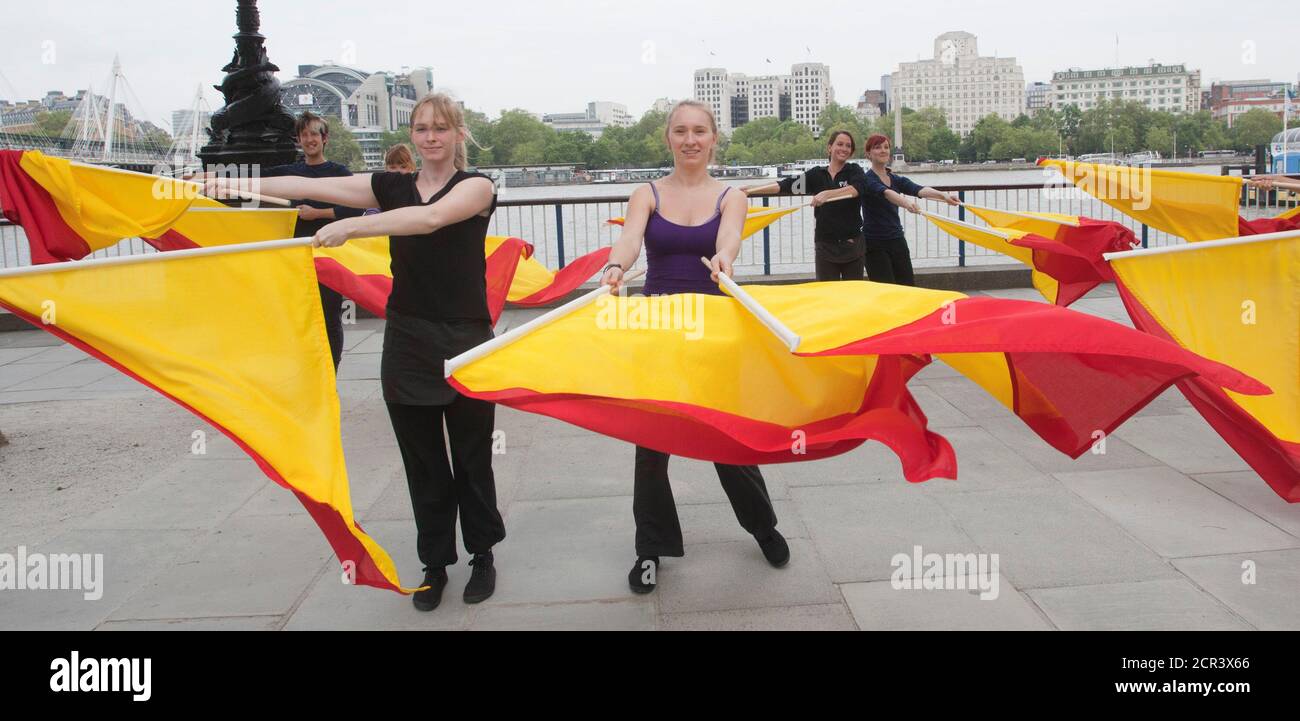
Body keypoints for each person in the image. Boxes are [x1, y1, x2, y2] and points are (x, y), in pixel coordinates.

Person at [206, 94, 505, 612]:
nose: (430, 137)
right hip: (408, 337)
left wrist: (352, 225)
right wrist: (236, 185)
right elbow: (306, 185)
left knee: (472, 456)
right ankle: (435, 564)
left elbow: (430, 220)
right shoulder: (389, 186)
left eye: (440, 128)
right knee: (423, 462)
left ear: (459, 134)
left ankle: (482, 554)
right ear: (412, 135)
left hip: (465, 338)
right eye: (420, 128)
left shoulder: (476, 187)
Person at [599, 100, 789, 595]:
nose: (690, 139)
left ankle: (762, 526)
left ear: (712, 140)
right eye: (680, 131)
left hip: (713, 329)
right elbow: (629, 243)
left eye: (699, 132)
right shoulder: (647, 194)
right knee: (652, 444)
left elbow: (729, 240)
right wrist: (616, 267)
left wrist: (724, 258)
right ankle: (649, 549)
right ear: (668, 139)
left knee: (726, 438)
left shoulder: (732, 196)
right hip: (658, 327)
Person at [263, 111, 364, 369]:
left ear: (324, 138)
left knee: (330, 315)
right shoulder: (290, 173)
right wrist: (209, 179)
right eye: (304, 134)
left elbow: (356, 208)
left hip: (329, 256)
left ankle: (331, 368)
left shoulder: (338, 172)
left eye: (314, 134)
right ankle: (308, 368)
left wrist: (317, 213)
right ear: (298, 139)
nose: (309, 139)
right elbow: (257, 180)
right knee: (300, 315)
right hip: (296, 256)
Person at [743, 130, 867, 280]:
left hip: (852, 245)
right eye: (839, 144)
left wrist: (827, 194)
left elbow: (856, 189)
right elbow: (785, 185)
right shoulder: (817, 174)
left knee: (853, 296)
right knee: (826, 295)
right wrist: (751, 189)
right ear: (829, 148)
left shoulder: (854, 170)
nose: (844, 148)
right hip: (825, 245)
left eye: (848, 146)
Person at [859, 133, 961, 285]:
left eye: (886, 147)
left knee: (907, 285)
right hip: (874, 243)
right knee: (886, 289)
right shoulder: (867, 179)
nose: (883, 150)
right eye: (877, 147)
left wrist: (943, 196)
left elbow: (918, 189)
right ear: (868, 154)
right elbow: (886, 193)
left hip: (896, 239)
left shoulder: (894, 178)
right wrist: (906, 203)